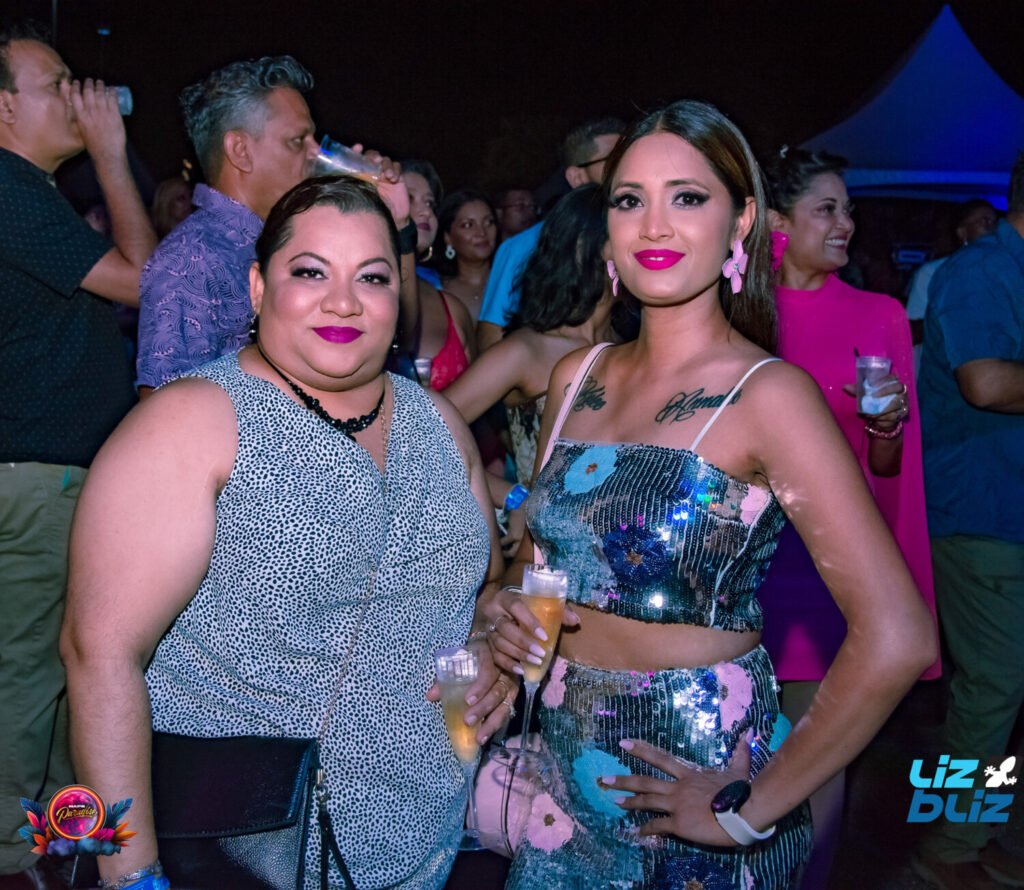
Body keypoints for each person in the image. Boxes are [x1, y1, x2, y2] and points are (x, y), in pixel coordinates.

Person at [483, 100, 936, 889]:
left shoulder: (768, 395)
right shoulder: (575, 378)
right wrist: (502, 612)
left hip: (694, 773)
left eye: (687, 197)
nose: (654, 225)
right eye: (630, 199)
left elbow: (899, 635)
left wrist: (749, 809)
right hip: (560, 776)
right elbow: (539, 568)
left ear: (742, 221)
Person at [60, 176, 518, 890]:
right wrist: (133, 878)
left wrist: (492, 647)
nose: (343, 301)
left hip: (426, 837)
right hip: (240, 852)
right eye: (310, 272)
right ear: (257, 287)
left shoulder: (439, 424)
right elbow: (99, 657)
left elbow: (481, 589)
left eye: (372, 277)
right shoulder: (193, 425)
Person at [0, 21, 156, 886]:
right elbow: (145, 278)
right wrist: (111, 152)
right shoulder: (8, 187)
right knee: (27, 672)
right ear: (4, 108)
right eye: (55, 82)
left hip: (53, 473)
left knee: (70, 668)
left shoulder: (28, 192)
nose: (76, 93)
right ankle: (12, 859)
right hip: (34, 476)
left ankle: (63, 846)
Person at [759, 146, 940, 887]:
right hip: (742, 564)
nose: (846, 224)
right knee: (731, 750)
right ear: (777, 222)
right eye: (826, 209)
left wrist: (886, 428)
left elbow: (888, 473)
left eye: (849, 210)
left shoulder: (879, 314)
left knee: (817, 754)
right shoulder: (738, 316)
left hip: (825, 573)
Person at [913, 154, 1024, 890]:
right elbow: (985, 383)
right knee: (991, 686)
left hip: (1007, 507)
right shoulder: (981, 271)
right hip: (983, 511)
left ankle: (978, 827)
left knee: (998, 689)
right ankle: (947, 844)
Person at [444, 184, 615, 553]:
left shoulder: (632, 347)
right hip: (540, 555)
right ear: (589, 248)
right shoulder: (527, 350)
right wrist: (513, 496)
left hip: (622, 550)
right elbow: (419, 434)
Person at [476, 116, 624, 353]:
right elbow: (491, 338)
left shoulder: (646, 233)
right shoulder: (524, 247)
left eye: (627, 158)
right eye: (612, 161)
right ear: (576, 177)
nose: (625, 169)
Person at [402, 159, 474, 390]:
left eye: (430, 203)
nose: (426, 211)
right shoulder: (350, 299)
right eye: (408, 198)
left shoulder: (453, 310)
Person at [904, 198, 997, 375]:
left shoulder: (1002, 273)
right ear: (963, 233)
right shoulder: (933, 272)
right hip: (942, 370)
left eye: (995, 222)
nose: (992, 229)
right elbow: (912, 329)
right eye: (984, 221)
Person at [436, 188, 499, 324]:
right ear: (448, 237)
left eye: (489, 222)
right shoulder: (433, 290)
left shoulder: (513, 282)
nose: (482, 232)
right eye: (468, 225)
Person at [149, 174, 195, 239]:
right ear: (166, 204)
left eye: (190, 196)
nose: (190, 202)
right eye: (181, 198)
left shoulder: (195, 228)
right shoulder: (155, 238)